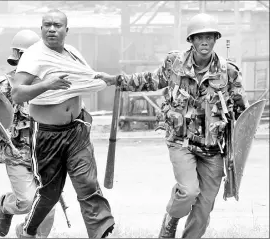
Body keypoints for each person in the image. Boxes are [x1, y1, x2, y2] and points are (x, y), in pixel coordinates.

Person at [97, 13, 250, 238]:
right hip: (181, 142)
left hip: (213, 149)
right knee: (188, 192)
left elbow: (243, 115)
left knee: (204, 209)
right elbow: (150, 79)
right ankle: (171, 219)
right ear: (191, 40)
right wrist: (117, 80)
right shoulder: (175, 64)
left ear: (216, 39)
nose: (204, 42)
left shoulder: (229, 72)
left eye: (209, 36)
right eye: (199, 37)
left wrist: (235, 154)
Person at [10, 9, 115, 238]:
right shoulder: (33, 56)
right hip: (47, 135)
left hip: (76, 129)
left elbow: (85, 78)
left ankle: (101, 231)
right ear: (41, 29)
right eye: (47, 25)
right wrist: (47, 84)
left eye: (57, 25)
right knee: (50, 192)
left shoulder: (73, 54)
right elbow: (17, 94)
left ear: (66, 30)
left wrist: (104, 79)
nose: (51, 29)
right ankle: (27, 230)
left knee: (88, 182)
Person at [0, 29, 56, 238]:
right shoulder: (4, 85)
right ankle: (6, 205)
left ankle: (27, 233)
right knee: (25, 201)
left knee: (47, 205)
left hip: (45, 154)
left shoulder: (48, 84)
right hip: (16, 153)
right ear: (17, 57)